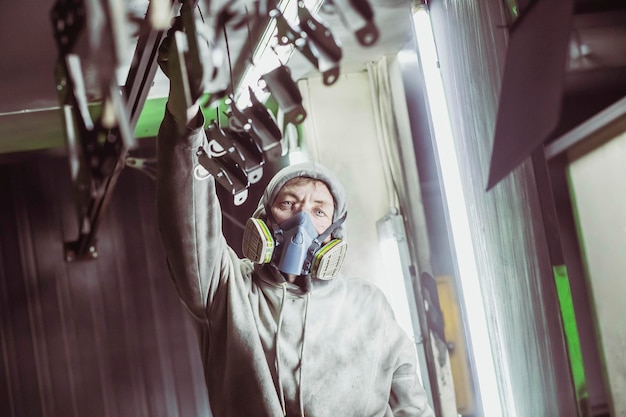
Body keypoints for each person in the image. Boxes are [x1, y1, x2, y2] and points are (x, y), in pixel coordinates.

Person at [155, 19, 435, 417]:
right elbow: (188, 226)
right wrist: (186, 118)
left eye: (319, 210)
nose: (302, 220)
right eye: (289, 203)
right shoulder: (230, 291)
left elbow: (414, 407)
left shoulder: (367, 306)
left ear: (334, 233)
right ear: (264, 218)